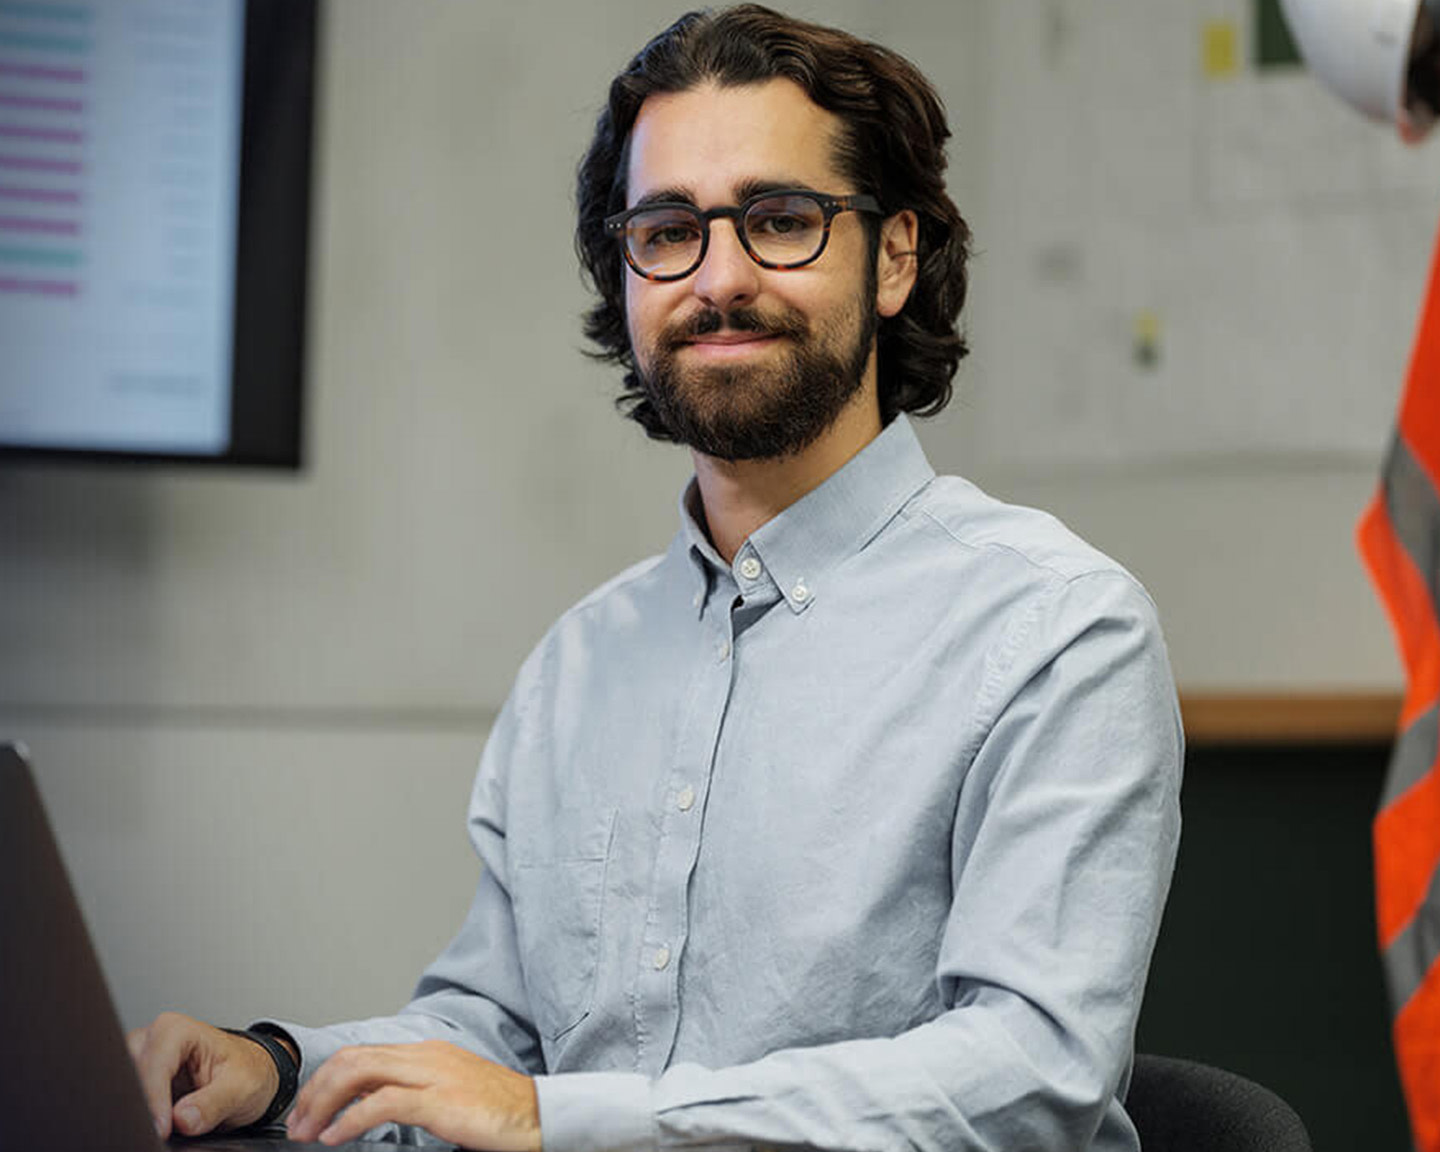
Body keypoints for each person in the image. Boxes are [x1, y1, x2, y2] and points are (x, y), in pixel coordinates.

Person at [128, 7, 1183, 1151]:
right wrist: (280, 1069)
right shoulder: (580, 664)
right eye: (668, 230)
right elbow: (499, 1033)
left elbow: (1031, 1077)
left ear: (893, 257)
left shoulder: (1057, 630)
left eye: (781, 220)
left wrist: (560, 1122)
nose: (719, 278)